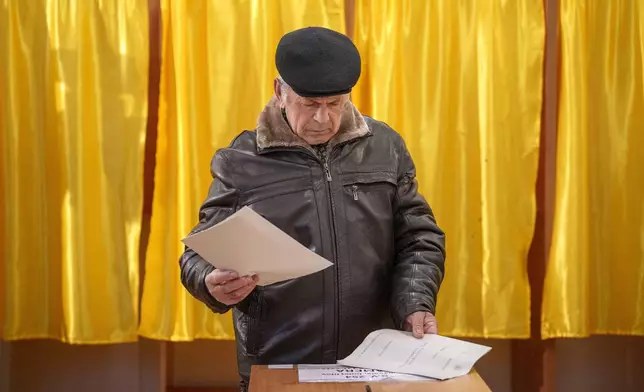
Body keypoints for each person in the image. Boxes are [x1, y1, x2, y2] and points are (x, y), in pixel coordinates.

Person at [179, 26, 446, 391]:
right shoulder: (239, 160)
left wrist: (415, 302)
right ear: (280, 92)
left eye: (335, 104)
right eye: (309, 105)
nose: (323, 119)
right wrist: (210, 281)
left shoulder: (387, 147)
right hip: (280, 364)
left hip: (373, 364)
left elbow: (419, 237)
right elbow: (198, 251)